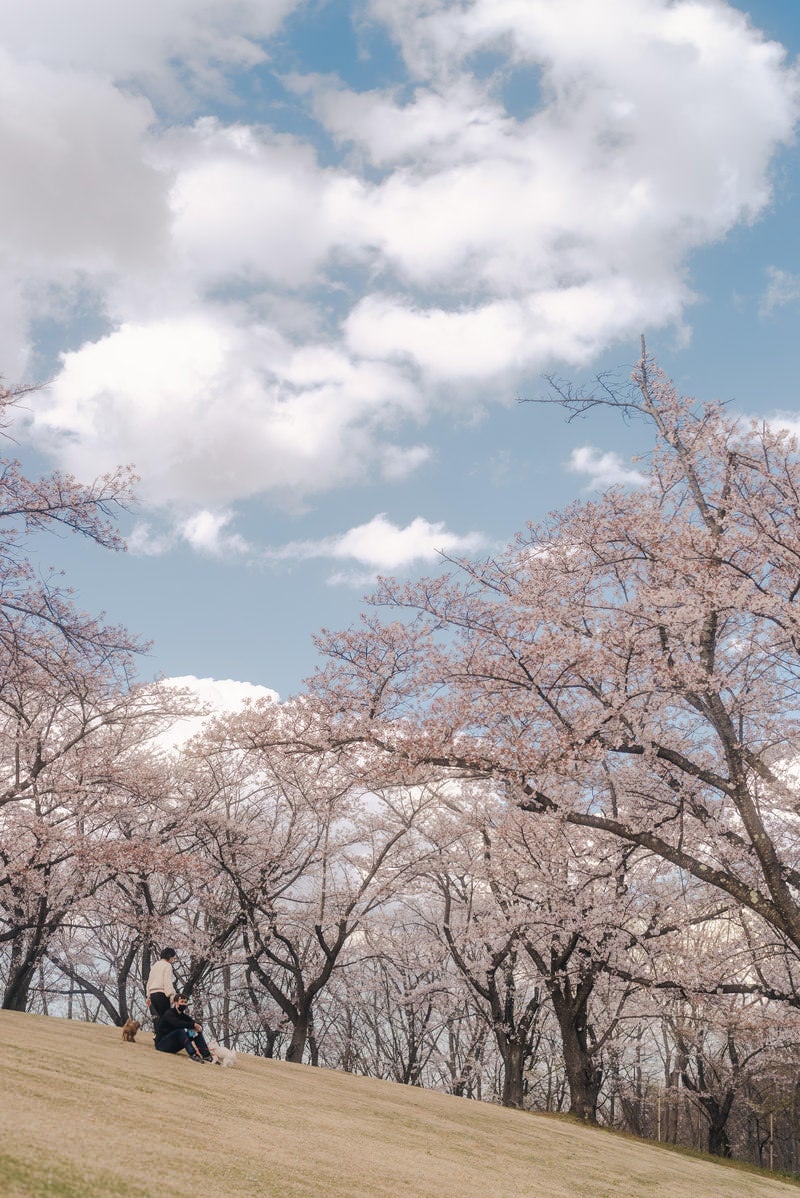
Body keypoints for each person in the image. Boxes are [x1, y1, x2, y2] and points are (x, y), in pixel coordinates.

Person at [154, 993, 213, 1063]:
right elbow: (177, 1024)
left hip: (174, 1045)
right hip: (162, 1044)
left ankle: (207, 1056)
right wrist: (193, 1025)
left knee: (195, 1032)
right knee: (180, 1031)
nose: (184, 1004)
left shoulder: (183, 1016)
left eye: (185, 1002)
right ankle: (193, 1054)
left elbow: (194, 1023)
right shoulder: (169, 1013)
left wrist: (197, 1027)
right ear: (175, 1003)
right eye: (182, 1002)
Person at [145, 947, 177, 1039]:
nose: (173, 960)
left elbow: (149, 981)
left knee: (160, 1016)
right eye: (173, 958)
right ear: (169, 956)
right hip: (162, 993)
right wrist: (171, 996)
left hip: (153, 994)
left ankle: (158, 1035)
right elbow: (167, 981)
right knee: (166, 1017)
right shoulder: (167, 966)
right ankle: (161, 1037)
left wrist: (148, 996)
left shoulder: (155, 965)